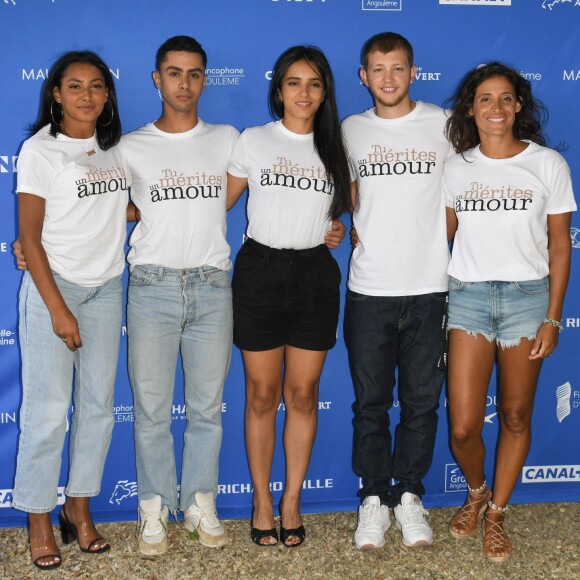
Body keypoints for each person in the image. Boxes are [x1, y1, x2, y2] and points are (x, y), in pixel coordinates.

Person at [443, 62, 575, 563]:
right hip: (470, 297)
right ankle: (476, 490)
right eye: (484, 99)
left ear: (518, 106)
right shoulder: (456, 168)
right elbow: (439, 234)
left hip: (527, 300)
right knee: (462, 427)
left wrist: (554, 316)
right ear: (471, 108)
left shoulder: (547, 165)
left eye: (505, 99)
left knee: (517, 414)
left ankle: (497, 511)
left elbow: (560, 246)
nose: (495, 108)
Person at [227, 45, 352, 547]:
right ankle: (261, 502)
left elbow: (357, 210)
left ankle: (291, 500)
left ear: (325, 93)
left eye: (314, 83)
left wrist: (337, 227)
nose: (304, 92)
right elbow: (214, 204)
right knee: (261, 395)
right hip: (259, 270)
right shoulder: (253, 141)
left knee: (302, 395)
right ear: (278, 89)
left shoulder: (338, 147)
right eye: (294, 82)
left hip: (314, 276)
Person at [120, 35, 238, 555]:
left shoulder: (228, 139)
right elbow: (100, 204)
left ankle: (198, 505)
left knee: (205, 409)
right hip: (152, 286)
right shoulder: (129, 146)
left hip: (212, 286)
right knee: (150, 410)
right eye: (173, 73)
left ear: (204, 80)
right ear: (157, 79)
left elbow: (259, 188)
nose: (184, 83)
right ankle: (152, 510)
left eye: (193, 74)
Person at [12, 51, 128, 570]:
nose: (87, 95)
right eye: (75, 86)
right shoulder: (40, 151)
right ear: (55, 93)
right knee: (47, 413)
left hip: (106, 288)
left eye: (96, 86)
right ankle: (39, 515)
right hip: (52, 290)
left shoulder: (115, 150)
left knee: (99, 408)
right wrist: (58, 310)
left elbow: (123, 206)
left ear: (107, 95)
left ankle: (79, 506)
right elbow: (29, 241)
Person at [343, 32, 451, 550]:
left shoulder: (444, 124)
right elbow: (347, 194)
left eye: (398, 68)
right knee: (370, 403)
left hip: (430, 288)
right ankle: (372, 499)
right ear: (364, 76)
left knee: (422, 403)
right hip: (369, 290)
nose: (388, 78)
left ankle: (409, 497)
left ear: (414, 72)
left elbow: (461, 193)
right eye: (378, 69)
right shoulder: (349, 130)